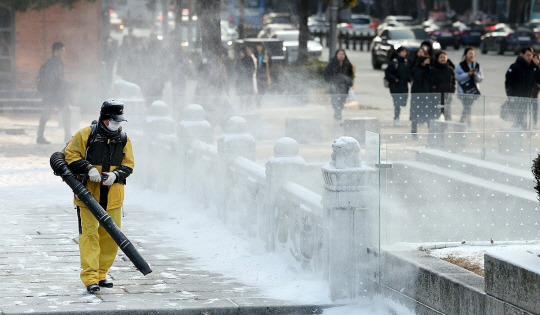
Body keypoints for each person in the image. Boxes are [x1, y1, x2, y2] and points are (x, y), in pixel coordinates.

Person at [64, 100, 134, 294]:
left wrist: (116, 175)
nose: (118, 124)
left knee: (111, 237)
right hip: (87, 196)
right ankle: (90, 278)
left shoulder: (123, 139)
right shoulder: (85, 135)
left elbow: (129, 164)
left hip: (113, 197)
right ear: (105, 119)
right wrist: (88, 168)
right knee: (89, 236)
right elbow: (69, 155)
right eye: (115, 120)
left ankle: (102, 273)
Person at [37, 42, 71, 144]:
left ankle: (67, 136)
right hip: (54, 94)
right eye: (62, 50)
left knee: (66, 112)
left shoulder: (55, 61)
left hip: (54, 94)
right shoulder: (53, 63)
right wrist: (65, 84)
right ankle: (40, 136)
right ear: (56, 51)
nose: (63, 52)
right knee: (47, 114)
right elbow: (53, 79)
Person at [505, 47, 537, 129]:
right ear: (522, 55)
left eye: (531, 55)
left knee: (525, 115)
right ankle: (519, 129)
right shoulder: (515, 66)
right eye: (527, 55)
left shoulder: (533, 67)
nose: (529, 57)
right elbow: (508, 82)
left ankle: (525, 129)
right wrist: (510, 95)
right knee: (519, 115)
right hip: (516, 96)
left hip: (529, 97)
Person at [324, 49, 354, 125]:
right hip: (334, 89)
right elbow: (326, 74)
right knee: (336, 105)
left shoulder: (347, 64)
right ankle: (337, 120)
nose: (341, 56)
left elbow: (350, 76)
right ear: (336, 55)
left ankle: (337, 120)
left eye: (343, 54)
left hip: (344, 89)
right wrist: (332, 82)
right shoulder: (332, 64)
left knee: (340, 105)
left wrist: (349, 83)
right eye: (340, 54)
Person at [455, 46, 483, 126]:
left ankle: (464, 122)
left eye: (473, 54)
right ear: (465, 54)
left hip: (473, 89)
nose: (471, 55)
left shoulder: (476, 65)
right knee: (467, 106)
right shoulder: (461, 65)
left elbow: (480, 79)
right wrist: (467, 74)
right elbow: (457, 77)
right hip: (463, 90)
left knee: (468, 106)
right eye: (470, 53)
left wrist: (475, 74)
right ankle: (464, 122)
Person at [410, 56, 436, 136]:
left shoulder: (430, 69)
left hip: (427, 94)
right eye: (427, 61)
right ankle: (414, 131)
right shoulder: (416, 69)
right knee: (415, 113)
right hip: (417, 94)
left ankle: (430, 132)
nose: (428, 62)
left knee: (428, 113)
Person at [384, 46, 410, 126]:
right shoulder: (394, 62)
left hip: (404, 86)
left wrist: (410, 79)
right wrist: (394, 79)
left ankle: (397, 118)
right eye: (402, 52)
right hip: (395, 86)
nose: (404, 53)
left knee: (402, 103)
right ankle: (396, 118)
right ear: (399, 53)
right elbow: (387, 72)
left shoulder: (406, 62)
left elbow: (408, 73)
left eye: (405, 52)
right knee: (397, 103)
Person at [431, 50, 456, 121]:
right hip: (436, 96)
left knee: (447, 116)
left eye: (444, 57)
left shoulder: (450, 70)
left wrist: (452, 91)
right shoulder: (433, 69)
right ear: (437, 59)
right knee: (435, 116)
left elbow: (453, 82)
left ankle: (446, 131)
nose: (443, 59)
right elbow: (431, 83)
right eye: (441, 57)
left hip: (447, 96)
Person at [254, 42, 271, 107]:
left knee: (263, 88)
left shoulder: (265, 54)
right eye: (258, 46)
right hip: (257, 73)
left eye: (260, 46)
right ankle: (258, 102)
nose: (259, 48)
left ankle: (260, 101)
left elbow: (269, 64)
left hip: (263, 73)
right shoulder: (255, 55)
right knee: (258, 88)